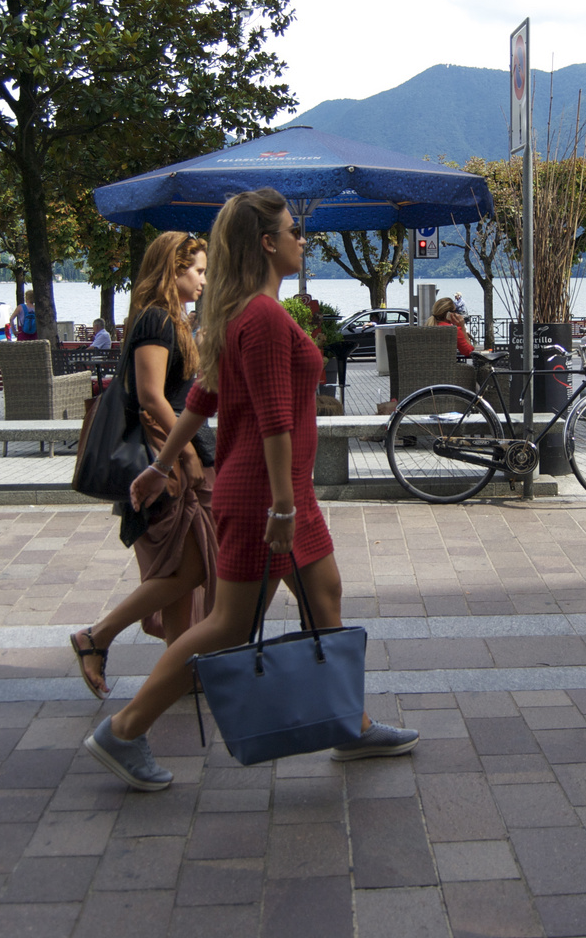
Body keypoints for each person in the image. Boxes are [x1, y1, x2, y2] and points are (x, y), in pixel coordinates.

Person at [82, 189, 417, 791]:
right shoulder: (259, 318)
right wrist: (283, 505)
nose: (302, 239)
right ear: (267, 243)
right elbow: (272, 418)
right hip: (266, 494)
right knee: (229, 626)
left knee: (326, 598)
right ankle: (124, 730)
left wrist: (160, 464)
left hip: (282, 492)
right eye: (294, 231)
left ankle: (349, 724)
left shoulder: (244, 312)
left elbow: (206, 396)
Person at [70, 234, 217, 701]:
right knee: (188, 567)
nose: (204, 279)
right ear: (172, 270)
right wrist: (186, 452)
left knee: (180, 568)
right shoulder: (157, 319)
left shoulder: (173, 320)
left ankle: (178, 666)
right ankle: (99, 635)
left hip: (172, 453)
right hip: (166, 457)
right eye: (197, 270)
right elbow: (152, 395)